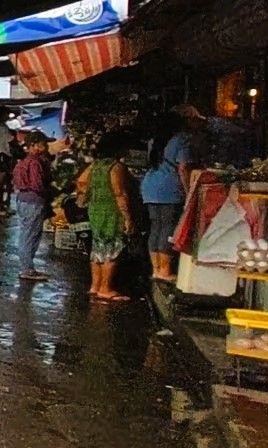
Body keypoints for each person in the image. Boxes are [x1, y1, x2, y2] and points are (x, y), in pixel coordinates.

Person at [141, 106, 203, 284]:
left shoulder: (155, 140)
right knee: (168, 227)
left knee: (156, 227)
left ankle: (156, 270)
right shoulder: (183, 140)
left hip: (150, 186)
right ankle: (165, 271)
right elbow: (183, 168)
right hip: (169, 187)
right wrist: (188, 190)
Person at [77, 132, 137, 302]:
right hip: (111, 212)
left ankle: (95, 286)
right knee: (112, 249)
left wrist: (84, 198)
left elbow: (81, 181)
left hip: (95, 210)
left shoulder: (95, 165)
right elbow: (119, 193)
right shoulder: (115, 167)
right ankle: (105, 288)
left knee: (97, 248)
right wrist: (128, 218)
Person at [14, 134, 53, 281]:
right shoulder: (35, 163)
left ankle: (28, 267)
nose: (46, 148)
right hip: (33, 200)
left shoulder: (23, 162)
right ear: (34, 145)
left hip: (23, 199)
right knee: (30, 235)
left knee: (27, 233)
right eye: (43, 145)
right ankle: (27, 268)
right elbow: (37, 185)